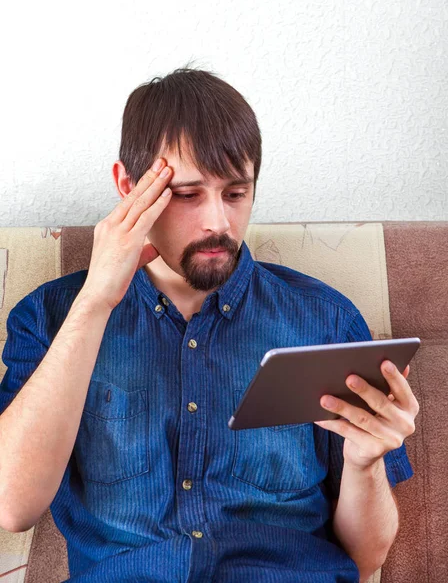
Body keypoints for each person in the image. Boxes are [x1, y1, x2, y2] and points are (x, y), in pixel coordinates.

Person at [0, 66, 419, 583]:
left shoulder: (324, 320)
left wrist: (364, 462)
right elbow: (11, 507)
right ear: (129, 187)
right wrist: (95, 304)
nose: (217, 222)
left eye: (236, 194)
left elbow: (365, 558)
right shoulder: (50, 318)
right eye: (188, 194)